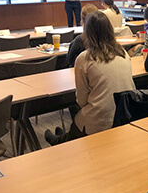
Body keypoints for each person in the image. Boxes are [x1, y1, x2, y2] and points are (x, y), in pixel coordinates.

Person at [45, 11, 135, 145]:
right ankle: (63, 137)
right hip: (126, 114)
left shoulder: (84, 58)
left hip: (101, 120)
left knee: (81, 116)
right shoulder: (123, 53)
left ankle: (59, 141)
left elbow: (81, 100)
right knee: (81, 119)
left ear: (87, 33)